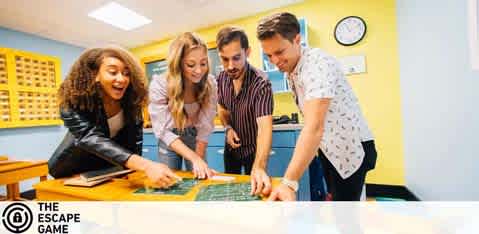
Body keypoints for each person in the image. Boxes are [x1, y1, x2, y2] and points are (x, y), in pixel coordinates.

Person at [257, 12, 377, 201]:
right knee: (336, 202)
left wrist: (288, 183)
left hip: (351, 148)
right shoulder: (293, 70)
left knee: (347, 213)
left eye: (279, 52)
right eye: (269, 55)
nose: (275, 61)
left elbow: (313, 127)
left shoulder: (317, 64)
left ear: (297, 39)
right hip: (330, 148)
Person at [49, 46, 179, 188]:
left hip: (106, 170)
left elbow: (135, 142)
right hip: (71, 169)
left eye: (126, 73)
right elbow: (89, 137)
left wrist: (136, 170)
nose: (121, 79)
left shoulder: (131, 101)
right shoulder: (72, 103)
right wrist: (147, 165)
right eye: (113, 72)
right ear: (95, 75)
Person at [148, 32, 216, 179]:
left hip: (195, 136)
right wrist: (195, 159)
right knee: (170, 181)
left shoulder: (210, 83)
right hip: (169, 139)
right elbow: (163, 130)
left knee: (201, 178)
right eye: (191, 65)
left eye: (203, 63)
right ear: (178, 64)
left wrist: (198, 158)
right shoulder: (160, 84)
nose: (199, 70)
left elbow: (206, 125)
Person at [216, 26, 274, 195]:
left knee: (254, 192)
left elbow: (264, 127)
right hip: (231, 150)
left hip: (254, 151)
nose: (230, 66)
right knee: (230, 191)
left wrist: (259, 167)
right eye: (224, 59)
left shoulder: (261, 83)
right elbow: (222, 107)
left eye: (236, 58)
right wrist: (227, 128)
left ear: (247, 52)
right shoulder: (221, 78)